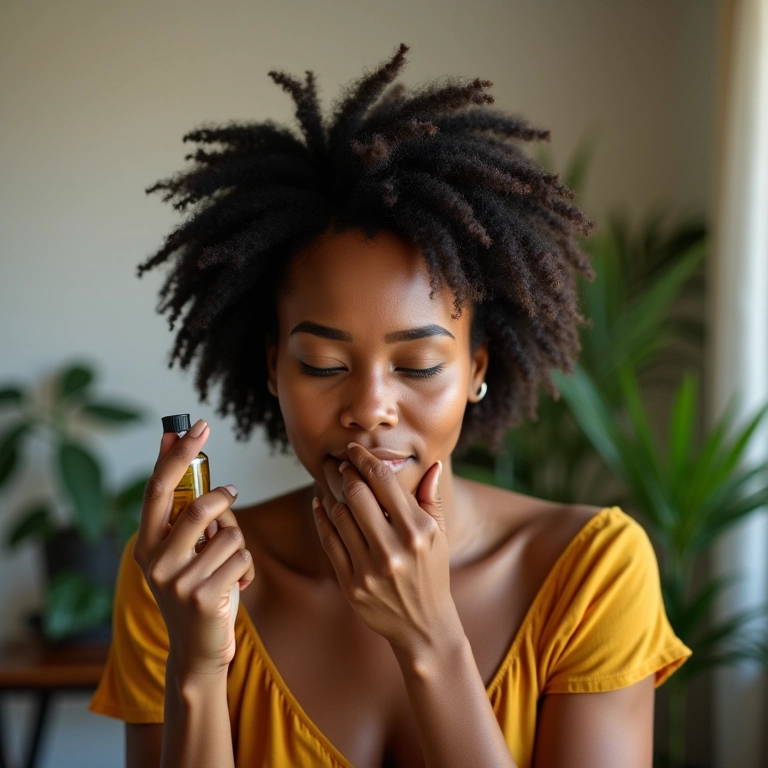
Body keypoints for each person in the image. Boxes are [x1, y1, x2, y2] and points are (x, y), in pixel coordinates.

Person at [88, 43, 691, 768]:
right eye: (324, 364)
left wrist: (431, 639)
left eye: (418, 366)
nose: (370, 407)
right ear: (273, 367)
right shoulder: (183, 578)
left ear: (476, 370)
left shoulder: (592, 574)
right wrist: (196, 666)